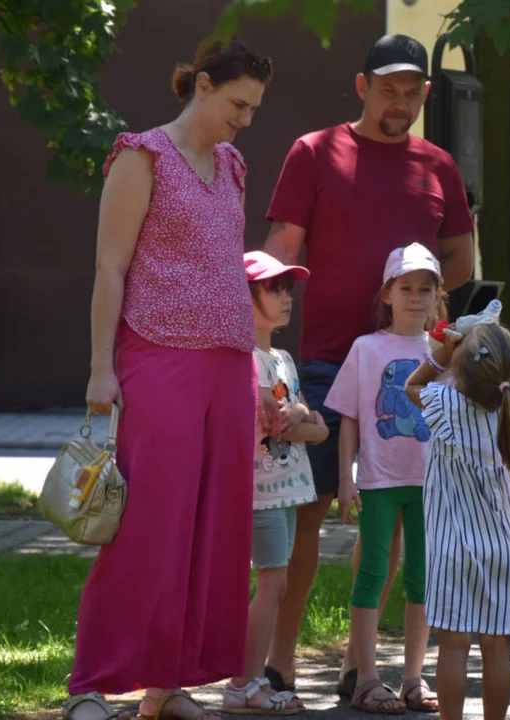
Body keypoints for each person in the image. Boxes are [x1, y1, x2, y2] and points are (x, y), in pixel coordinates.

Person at [261, 32, 474, 700]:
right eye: (388, 90)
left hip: (407, 368)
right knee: (307, 510)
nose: (399, 103)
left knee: (386, 515)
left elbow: (462, 261)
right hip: (325, 360)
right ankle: (280, 666)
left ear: (425, 95)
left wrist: (423, 325)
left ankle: (362, 667)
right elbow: (278, 251)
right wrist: (259, 341)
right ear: (361, 86)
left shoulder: (437, 164)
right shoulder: (315, 152)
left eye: (412, 93)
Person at [66, 39, 273, 720]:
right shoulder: (142, 153)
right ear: (204, 86)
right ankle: (91, 685)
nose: (244, 118)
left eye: (253, 108)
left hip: (228, 365)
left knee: (210, 532)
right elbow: (108, 269)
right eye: (237, 103)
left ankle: (168, 683)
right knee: (148, 523)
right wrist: (101, 367)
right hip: (157, 357)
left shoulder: (234, 164)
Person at [405, 321, 510, 720]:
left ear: (461, 366)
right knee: (497, 645)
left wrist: (442, 351)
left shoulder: (444, 405)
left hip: (454, 547)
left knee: (453, 645)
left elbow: (410, 386)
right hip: (506, 545)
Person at [323, 243, 444, 713]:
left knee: (422, 579)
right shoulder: (366, 348)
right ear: (387, 294)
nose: (415, 297)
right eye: (406, 287)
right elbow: (350, 417)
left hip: (430, 485)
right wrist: (346, 479)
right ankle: (367, 679)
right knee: (372, 574)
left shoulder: (443, 351)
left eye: (425, 288)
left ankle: (414, 678)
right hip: (377, 481)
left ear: (438, 294)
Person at [223, 251, 328, 716]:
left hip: (288, 489)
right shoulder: (246, 362)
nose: (287, 298)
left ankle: (251, 682)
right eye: (274, 289)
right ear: (243, 296)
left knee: (277, 585)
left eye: (288, 289)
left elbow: (316, 428)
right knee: (271, 585)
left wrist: (301, 415)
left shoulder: (281, 359)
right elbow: (277, 424)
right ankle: (242, 686)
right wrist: (301, 419)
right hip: (262, 493)